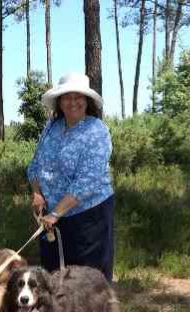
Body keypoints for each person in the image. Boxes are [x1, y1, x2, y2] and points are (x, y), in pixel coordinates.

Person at [27, 72, 115, 282]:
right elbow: (35, 165)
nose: (72, 102)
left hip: (88, 218)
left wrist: (56, 213)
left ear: (87, 101)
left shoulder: (97, 131)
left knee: (87, 280)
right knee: (52, 277)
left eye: (78, 97)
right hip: (51, 218)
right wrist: (37, 193)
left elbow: (87, 181)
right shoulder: (52, 127)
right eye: (67, 97)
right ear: (59, 102)